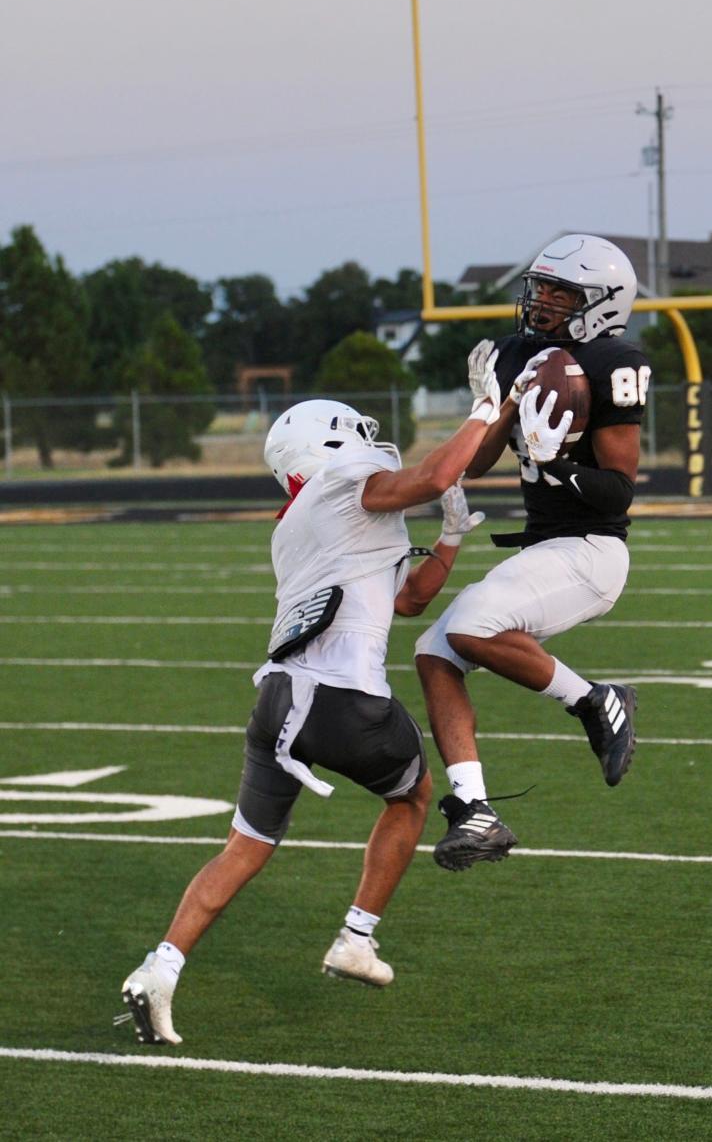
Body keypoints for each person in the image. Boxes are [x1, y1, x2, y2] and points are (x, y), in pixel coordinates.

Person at [120, 383, 500, 1045]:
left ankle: (160, 968)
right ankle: (356, 937)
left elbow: (406, 600)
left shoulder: (305, 517)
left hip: (278, 701)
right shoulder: (344, 480)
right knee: (414, 796)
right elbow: (438, 472)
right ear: (329, 441)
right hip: (339, 696)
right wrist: (486, 412)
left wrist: (448, 539)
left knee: (244, 848)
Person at [414, 233, 651, 871]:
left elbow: (617, 491)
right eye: (540, 287)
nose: (542, 301)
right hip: (546, 547)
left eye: (560, 292)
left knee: (468, 626)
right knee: (434, 652)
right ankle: (476, 811)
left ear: (601, 302)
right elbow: (485, 459)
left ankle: (595, 700)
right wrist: (492, 408)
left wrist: (559, 464)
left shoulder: (613, 363)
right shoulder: (521, 351)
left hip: (592, 549)